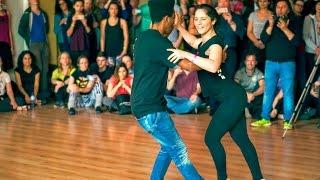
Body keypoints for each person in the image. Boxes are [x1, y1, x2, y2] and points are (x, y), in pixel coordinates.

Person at [167, 4, 263, 179]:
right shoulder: (203, 41)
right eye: (196, 18)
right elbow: (192, 41)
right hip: (231, 98)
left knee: (211, 139)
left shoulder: (216, 44)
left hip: (232, 98)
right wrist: (179, 26)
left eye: (203, 18)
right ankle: (259, 177)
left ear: (212, 21)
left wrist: (185, 54)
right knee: (242, 140)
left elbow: (213, 66)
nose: (198, 22)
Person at [131, 0, 203, 179]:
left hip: (144, 105)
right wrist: (214, 60)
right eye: (173, 20)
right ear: (166, 18)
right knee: (178, 149)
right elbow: (188, 65)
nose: (174, 24)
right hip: (151, 110)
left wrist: (178, 28)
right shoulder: (160, 43)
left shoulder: (143, 37)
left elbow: (166, 54)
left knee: (167, 147)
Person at [235, 54, 264, 120]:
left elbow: (263, 87)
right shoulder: (240, 73)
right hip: (242, 95)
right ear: (245, 62)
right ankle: (244, 109)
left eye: (252, 61)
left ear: (256, 62)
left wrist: (252, 94)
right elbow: (235, 86)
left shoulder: (259, 73)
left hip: (254, 97)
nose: (250, 63)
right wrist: (246, 94)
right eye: (248, 61)